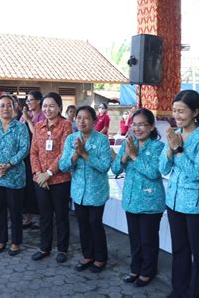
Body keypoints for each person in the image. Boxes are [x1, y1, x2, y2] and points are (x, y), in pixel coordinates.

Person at [159, 90, 199, 298]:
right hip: (174, 202)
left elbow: (196, 173)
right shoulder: (175, 133)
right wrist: (171, 149)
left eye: (182, 111)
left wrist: (179, 150)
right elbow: (163, 168)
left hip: (196, 204)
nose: (177, 115)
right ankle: (179, 290)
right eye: (174, 111)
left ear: (195, 111)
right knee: (179, 250)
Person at [112, 108, 165, 287]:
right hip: (131, 200)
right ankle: (135, 268)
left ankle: (148, 271)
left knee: (148, 240)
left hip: (150, 202)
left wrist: (134, 155)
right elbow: (115, 169)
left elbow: (154, 173)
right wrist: (126, 155)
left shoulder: (158, 147)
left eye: (142, 124)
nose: (137, 128)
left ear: (151, 127)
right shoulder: (129, 142)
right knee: (135, 238)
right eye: (134, 124)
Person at [59, 105, 111, 273]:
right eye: (79, 117)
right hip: (78, 191)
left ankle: (101, 257)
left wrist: (85, 154)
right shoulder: (70, 139)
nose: (82, 121)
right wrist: (75, 155)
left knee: (95, 224)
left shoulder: (101, 140)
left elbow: (104, 166)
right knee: (83, 224)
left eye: (86, 118)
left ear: (94, 121)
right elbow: (63, 165)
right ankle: (87, 255)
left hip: (96, 191)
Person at [0, 94, 30, 256]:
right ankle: (1, 240)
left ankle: (16, 242)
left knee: (15, 211)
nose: (5, 108)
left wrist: (9, 164)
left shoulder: (20, 127)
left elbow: (24, 149)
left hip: (15, 176)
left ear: (14, 108)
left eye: (9, 105)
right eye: (2, 105)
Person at [30, 92, 72, 263]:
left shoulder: (66, 125)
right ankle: (44, 247)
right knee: (45, 215)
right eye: (45, 106)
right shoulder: (38, 126)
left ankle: (62, 249)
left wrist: (48, 173)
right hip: (40, 180)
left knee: (61, 215)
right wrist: (38, 174)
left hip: (59, 180)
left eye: (52, 106)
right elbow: (33, 152)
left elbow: (65, 153)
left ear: (59, 107)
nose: (48, 109)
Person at [20, 91, 45, 229]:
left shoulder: (42, 116)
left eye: (31, 100)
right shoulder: (25, 116)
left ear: (39, 101)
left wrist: (29, 120)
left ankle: (43, 217)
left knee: (37, 186)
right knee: (26, 187)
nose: (28, 103)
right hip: (25, 156)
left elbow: (37, 135)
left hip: (38, 156)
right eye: (27, 101)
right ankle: (28, 217)